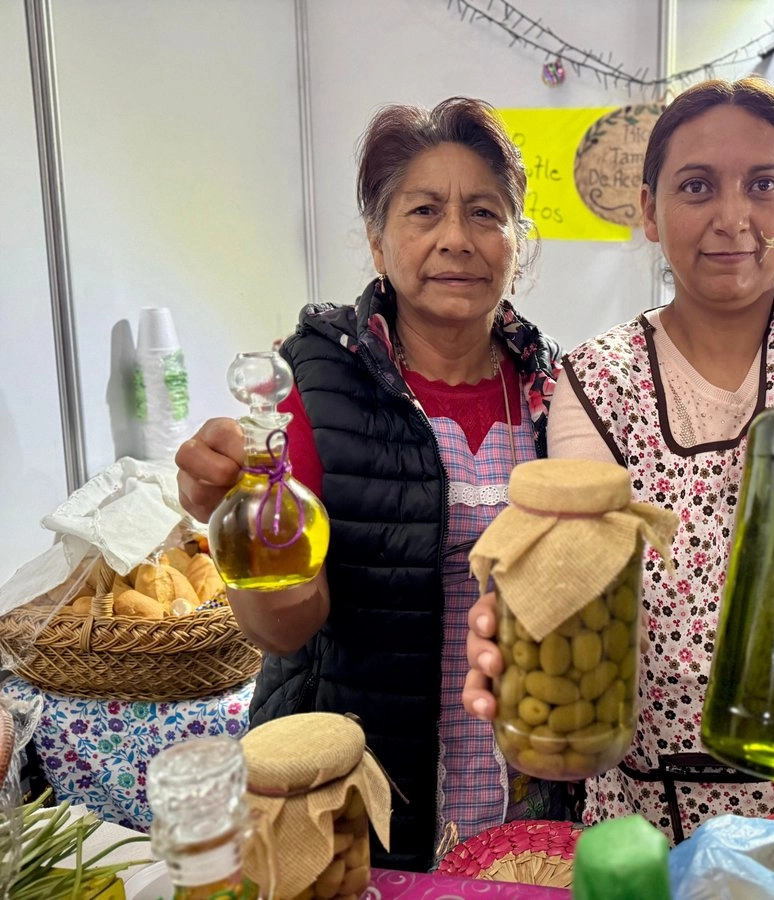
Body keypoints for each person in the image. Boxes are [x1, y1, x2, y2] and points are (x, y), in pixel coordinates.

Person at [463, 76, 774, 891]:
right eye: (696, 186)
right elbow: (582, 557)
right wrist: (539, 636)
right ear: (649, 211)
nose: (733, 218)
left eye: (762, 185)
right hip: (671, 788)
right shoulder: (599, 376)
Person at [175, 98, 568, 872]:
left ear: (517, 243)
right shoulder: (317, 385)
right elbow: (284, 629)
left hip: (529, 778)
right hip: (364, 781)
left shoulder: (555, 387)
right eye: (425, 211)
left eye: (485, 213)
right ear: (377, 242)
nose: (456, 238)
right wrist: (244, 529)